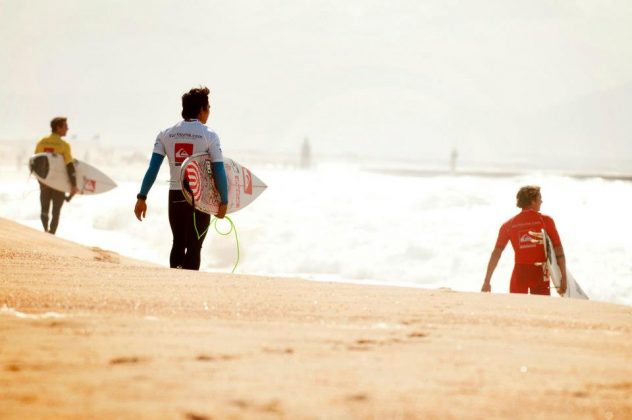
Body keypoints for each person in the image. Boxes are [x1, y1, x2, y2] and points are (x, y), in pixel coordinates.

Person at [134, 87, 229, 270]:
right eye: (208, 108)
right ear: (202, 109)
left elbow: (153, 169)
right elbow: (219, 170)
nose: (208, 112)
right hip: (200, 197)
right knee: (195, 247)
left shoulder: (165, 134)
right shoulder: (209, 135)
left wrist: (142, 197)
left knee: (178, 242)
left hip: (176, 195)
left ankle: (174, 283)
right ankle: (188, 289)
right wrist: (223, 200)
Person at [481, 185, 567, 296]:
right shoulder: (546, 221)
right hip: (540, 273)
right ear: (533, 201)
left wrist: (487, 281)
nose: (541, 201)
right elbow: (558, 249)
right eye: (539, 198)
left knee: (517, 310)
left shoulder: (508, 225)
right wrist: (563, 277)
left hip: (519, 274)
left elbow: (496, 253)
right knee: (540, 310)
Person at [34, 117, 80, 234]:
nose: (67, 129)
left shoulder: (41, 142)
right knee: (56, 211)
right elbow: (69, 166)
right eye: (65, 126)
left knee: (44, 209)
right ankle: (51, 233)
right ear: (58, 128)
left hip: (45, 181)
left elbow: (35, 162)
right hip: (58, 182)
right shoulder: (64, 145)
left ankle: (45, 230)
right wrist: (73, 185)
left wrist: (40, 180)